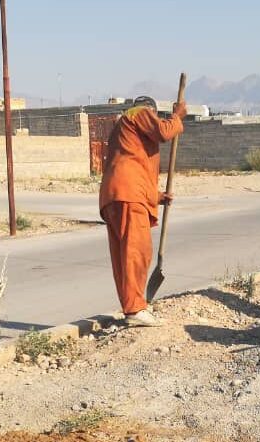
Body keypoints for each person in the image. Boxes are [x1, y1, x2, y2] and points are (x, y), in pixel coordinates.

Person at [99, 95, 187, 327]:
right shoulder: (138, 113)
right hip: (128, 195)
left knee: (124, 256)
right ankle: (136, 309)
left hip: (118, 194)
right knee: (137, 253)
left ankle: (132, 306)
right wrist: (177, 116)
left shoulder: (125, 129)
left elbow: (132, 162)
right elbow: (164, 132)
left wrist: (156, 196)